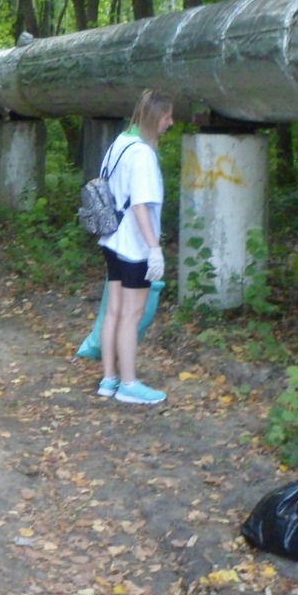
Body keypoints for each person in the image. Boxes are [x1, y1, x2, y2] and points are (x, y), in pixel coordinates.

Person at [96, 89, 174, 405]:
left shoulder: (120, 144)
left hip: (112, 240)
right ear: (156, 118)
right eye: (168, 116)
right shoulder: (142, 155)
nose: (172, 122)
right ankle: (128, 384)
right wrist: (154, 249)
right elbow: (141, 207)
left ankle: (109, 379)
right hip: (134, 246)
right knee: (132, 314)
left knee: (114, 311)